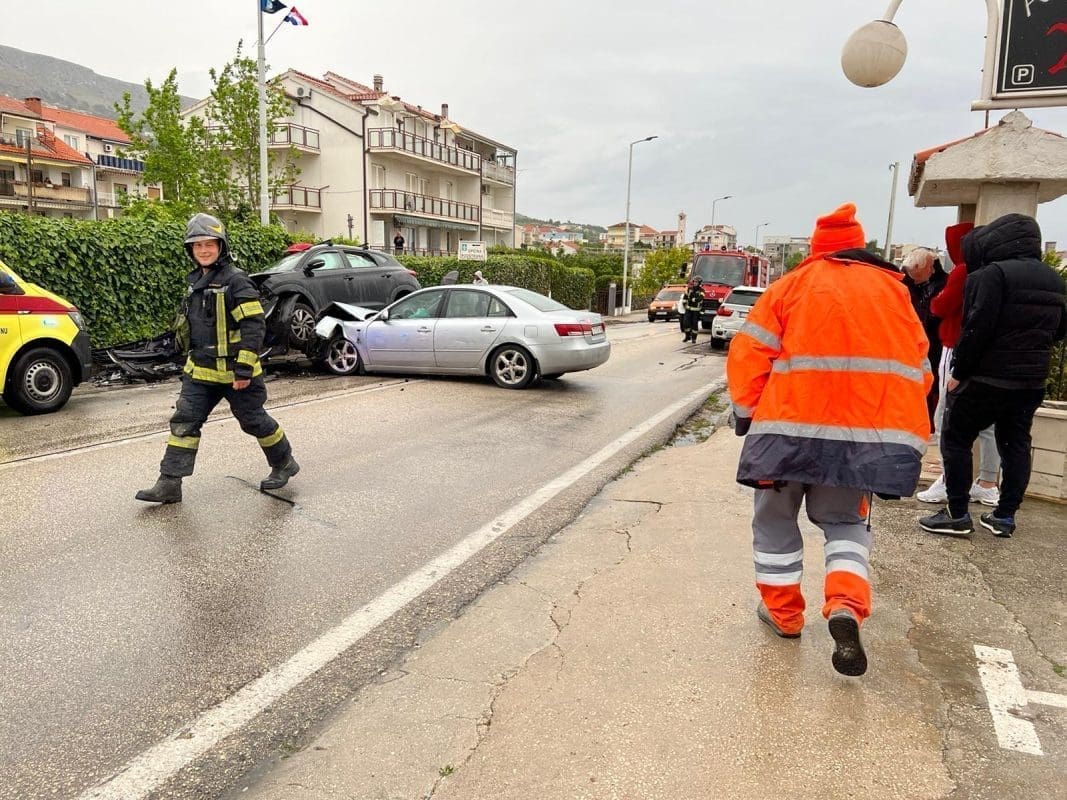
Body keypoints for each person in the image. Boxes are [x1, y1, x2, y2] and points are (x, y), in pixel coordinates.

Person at [727, 203, 931, 676]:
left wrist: (747, 417)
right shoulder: (894, 292)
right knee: (845, 523)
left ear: (817, 250)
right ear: (859, 248)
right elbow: (919, 371)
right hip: (861, 439)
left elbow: (748, 356)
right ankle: (845, 605)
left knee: (774, 520)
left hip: (785, 434)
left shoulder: (789, 287)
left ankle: (783, 614)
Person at [136, 213, 299, 504]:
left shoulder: (236, 281)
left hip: (237, 374)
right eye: (197, 245)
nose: (203, 250)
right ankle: (169, 483)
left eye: (209, 244)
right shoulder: (195, 282)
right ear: (190, 249)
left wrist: (244, 368)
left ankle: (284, 462)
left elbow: (254, 326)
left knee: (253, 421)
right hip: (200, 372)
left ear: (221, 246)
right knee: (184, 423)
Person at [920, 213, 1066, 538]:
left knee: (956, 438)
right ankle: (1004, 516)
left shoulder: (991, 274)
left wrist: (959, 372)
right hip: (1031, 380)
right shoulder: (1053, 278)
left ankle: (957, 513)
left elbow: (976, 328)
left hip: (987, 377)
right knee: (1016, 444)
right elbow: (1059, 330)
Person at [917, 223, 1001, 507]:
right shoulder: (995, 271)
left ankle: (948, 479)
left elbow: (940, 306)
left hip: (955, 347)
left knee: (946, 416)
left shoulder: (963, 272)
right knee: (988, 423)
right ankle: (988, 483)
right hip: (989, 352)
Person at [901, 247, 948, 427]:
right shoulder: (903, 288)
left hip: (927, 348)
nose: (932, 271)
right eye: (929, 267)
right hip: (913, 350)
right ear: (917, 267)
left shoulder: (919, 287)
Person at [681, 277, 703, 343]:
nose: (695, 283)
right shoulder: (689, 289)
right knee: (685, 323)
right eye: (694, 282)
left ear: (699, 283)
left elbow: (701, 298)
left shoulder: (701, 290)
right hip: (688, 309)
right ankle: (687, 336)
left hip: (696, 310)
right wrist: (684, 304)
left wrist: (694, 299)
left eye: (696, 282)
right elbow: (685, 297)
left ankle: (694, 338)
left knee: (694, 324)